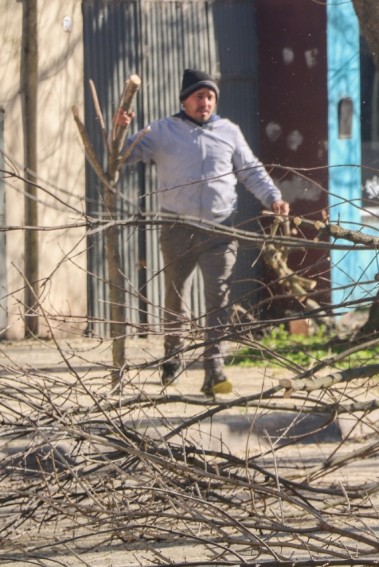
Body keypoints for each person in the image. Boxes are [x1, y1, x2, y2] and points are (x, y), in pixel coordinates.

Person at [115, 68, 289, 397]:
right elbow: (125, 154)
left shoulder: (229, 132)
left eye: (210, 96)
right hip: (177, 227)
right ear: (185, 99)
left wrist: (274, 198)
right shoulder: (163, 130)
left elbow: (251, 170)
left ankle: (214, 369)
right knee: (175, 297)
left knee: (218, 301)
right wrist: (119, 131)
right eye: (199, 96)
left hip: (220, 228)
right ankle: (172, 357)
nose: (205, 102)